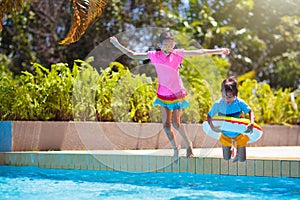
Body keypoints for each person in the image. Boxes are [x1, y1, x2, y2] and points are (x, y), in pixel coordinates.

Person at [110, 31, 230, 162]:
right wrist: (117, 45)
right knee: (166, 126)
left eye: (171, 44)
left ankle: (189, 146)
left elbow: (199, 52)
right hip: (163, 95)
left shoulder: (177, 54)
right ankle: (175, 148)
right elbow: (133, 55)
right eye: (166, 44)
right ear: (159, 45)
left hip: (177, 93)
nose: (169, 47)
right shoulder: (154, 56)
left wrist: (219, 51)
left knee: (176, 123)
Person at [206, 76, 255, 162]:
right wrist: (213, 127)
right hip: (226, 134)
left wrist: (251, 123)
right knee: (226, 158)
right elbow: (209, 116)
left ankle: (237, 152)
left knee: (242, 159)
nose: (226, 99)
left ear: (235, 94)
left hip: (239, 133)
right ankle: (232, 147)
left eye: (229, 97)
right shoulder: (218, 104)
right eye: (224, 96)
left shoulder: (239, 103)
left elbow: (250, 111)